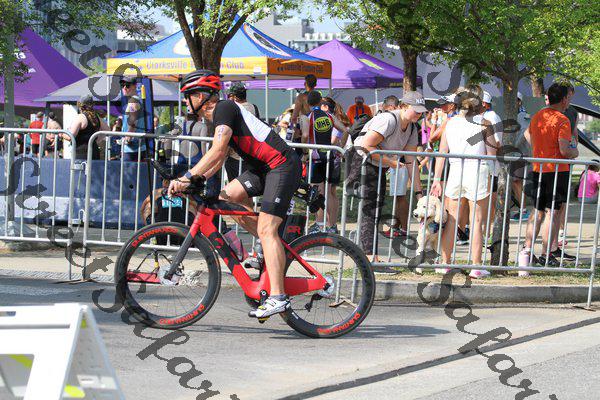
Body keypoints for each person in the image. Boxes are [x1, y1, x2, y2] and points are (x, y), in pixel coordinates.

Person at [167, 70, 302, 318]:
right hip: (263, 169)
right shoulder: (217, 117)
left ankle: (278, 297)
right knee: (226, 199)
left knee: (267, 230)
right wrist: (199, 179)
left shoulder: (224, 107)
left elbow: (217, 151)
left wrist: (187, 177)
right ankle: (272, 247)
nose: (185, 101)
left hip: (281, 166)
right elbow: (219, 159)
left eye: (188, 96)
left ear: (201, 96)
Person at [351, 91, 426, 265]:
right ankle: (369, 258)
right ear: (403, 106)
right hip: (362, 160)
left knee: (376, 209)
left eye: (421, 111)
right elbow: (366, 145)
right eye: (416, 109)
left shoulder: (412, 128)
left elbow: (411, 161)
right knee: (370, 210)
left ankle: (370, 256)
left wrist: (419, 194)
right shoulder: (389, 120)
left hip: (379, 164)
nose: (419, 113)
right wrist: (391, 163)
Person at [431, 85, 497, 279]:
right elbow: (492, 153)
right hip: (477, 170)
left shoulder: (450, 123)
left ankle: (445, 263)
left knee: (452, 219)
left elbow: (442, 153)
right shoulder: (484, 123)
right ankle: (476, 265)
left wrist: (436, 179)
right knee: (476, 221)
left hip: (455, 170)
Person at [520, 82, 579, 271]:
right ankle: (546, 254)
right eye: (568, 97)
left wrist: (538, 148)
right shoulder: (562, 120)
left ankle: (527, 250)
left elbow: (527, 134)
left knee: (537, 211)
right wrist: (575, 152)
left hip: (538, 168)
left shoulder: (538, 116)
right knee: (552, 212)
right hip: (556, 170)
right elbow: (564, 150)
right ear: (563, 99)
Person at [300, 92, 348, 234]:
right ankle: (332, 226)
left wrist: (304, 151)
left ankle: (319, 224)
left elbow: (305, 135)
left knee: (318, 191)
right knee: (330, 192)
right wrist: (340, 148)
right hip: (329, 156)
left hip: (315, 158)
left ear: (308, 103)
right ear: (320, 102)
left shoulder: (307, 117)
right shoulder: (329, 116)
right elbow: (345, 130)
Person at [377, 95, 410, 238]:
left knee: (400, 196)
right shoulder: (393, 121)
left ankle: (403, 228)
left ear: (391, 107)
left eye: (386, 109)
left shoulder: (403, 122)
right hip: (395, 162)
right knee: (397, 196)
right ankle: (396, 226)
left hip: (401, 162)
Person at [225, 82, 260, 182]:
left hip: (236, 156)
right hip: (252, 155)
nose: (228, 98)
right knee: (248, 187)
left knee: (233, 186)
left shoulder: (234, 109)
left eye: (230, 96)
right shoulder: (254, 107)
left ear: (235, 97)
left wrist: (225, 153)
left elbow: (230, 131)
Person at [64, 95, 108, 160]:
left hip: (82, 152)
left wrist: (61, 134)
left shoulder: (80, 117)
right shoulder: (97, 117)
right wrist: (96, 141)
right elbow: (107, 130)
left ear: (80, 106)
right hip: (94, 150)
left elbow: (70, 136)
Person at [511, 91, 532, 221]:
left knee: (516, 181)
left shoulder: (522, 115)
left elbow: (524, 133)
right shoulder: (518, 114)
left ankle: (523, 210)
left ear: (519, 102)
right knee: (517, 182)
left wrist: (512, 146)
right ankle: (523, 209)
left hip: (519, 154)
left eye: (516, 100)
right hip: (518, 153)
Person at [120, 76, 147, 162]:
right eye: (122, 85)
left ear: (134, 86)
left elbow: (133, 121)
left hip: (132, 149)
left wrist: (128, 138)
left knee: (127, 170)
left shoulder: (133, 101)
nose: (124, 87)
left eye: (127, 85)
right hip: (137, 147)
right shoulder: (136, 101)